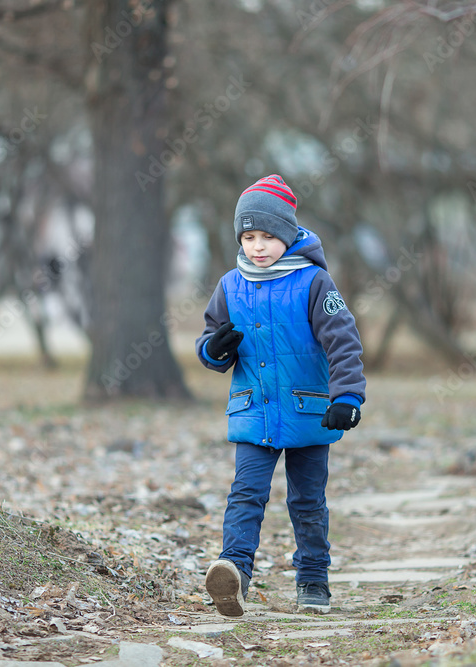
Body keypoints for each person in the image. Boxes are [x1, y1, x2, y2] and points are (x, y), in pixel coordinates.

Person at [196, 174, 366, 617]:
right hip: (254, 412)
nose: (257, 246)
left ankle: (313, 579)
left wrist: (347, 396)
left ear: (287, 235)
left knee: (307, 500)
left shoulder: (314, 283)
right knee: (245, 494)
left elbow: (343, 341)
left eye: (268, 236)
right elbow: (210, 340)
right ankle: (234, 574)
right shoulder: (230, 285)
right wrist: (213, 351)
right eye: (248, 236)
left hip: (310, 412)